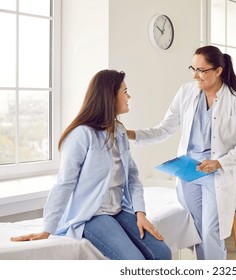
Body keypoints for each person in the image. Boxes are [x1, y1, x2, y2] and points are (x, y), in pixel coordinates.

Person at [11, 70, 172, 260]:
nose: (129, 96)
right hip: (92, 215)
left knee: (163, 253)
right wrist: (48, 228)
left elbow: (133, 177)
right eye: (125, 91)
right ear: (109, 96)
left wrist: (140, 213)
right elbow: (64, 183)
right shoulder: (81, 134)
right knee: (134, 261)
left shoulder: (119, 131)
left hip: (119, 209)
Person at [127, 46, 236, 260]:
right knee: (198, 230)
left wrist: (219, 162)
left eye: (202, 70)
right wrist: (131, 134)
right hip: (188, 173)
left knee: (210, 231)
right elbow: (165, 128)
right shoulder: (186, 92)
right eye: (193, 69)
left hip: (215, 175)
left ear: (218, 71)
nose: (196, 75)